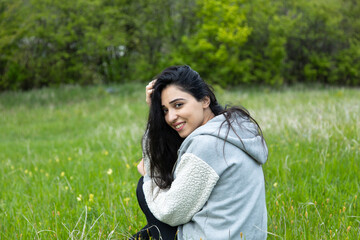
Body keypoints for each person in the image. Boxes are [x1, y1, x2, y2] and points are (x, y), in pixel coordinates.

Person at [132, 65, 268, 240]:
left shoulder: (207, 144)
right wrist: (155, 111)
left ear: (205, 100)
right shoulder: (232, 130)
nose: (170, 117)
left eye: (178, 105)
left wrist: (151, 175)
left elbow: (170, 213)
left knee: (144, 188)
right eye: (165, 110)